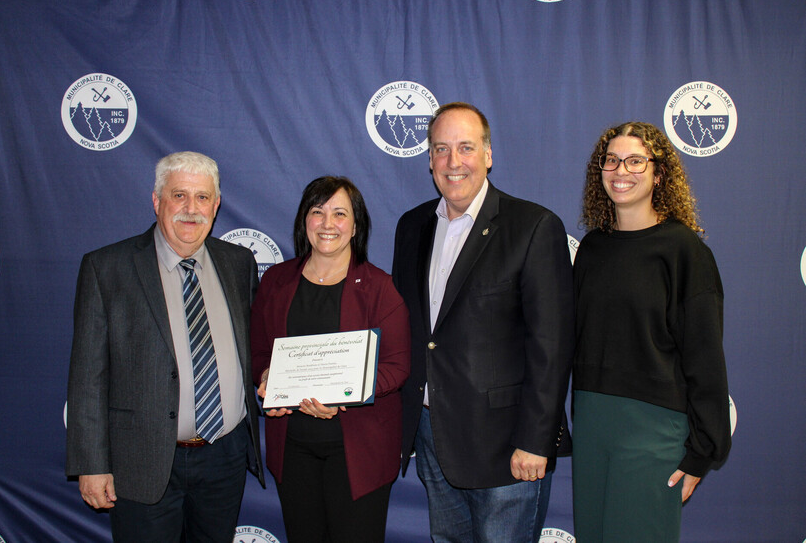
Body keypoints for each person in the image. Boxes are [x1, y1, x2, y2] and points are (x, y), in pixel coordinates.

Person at [391, 102, 574, 542]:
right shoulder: (411, 226)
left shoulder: (533, 226)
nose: (453, 162)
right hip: (433, 432)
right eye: (440, 149)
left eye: (466, 148)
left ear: (488, 155)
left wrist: (536, 438)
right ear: (429, 159)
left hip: (507, 443)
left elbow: (552, 345)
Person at [66, 151, 264, 542]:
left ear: (217, 204)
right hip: (143, 458)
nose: (191, 209)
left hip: (224, 455)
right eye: (179, 196)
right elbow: (87, 375)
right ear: (156, 201)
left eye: (203, 197)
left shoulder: (239, 263)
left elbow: (251, 347)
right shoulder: (107, 268)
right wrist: (91, 463)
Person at [571, 122, 731, 542]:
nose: (620, 170)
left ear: (658, 174)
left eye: (635, 160)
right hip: (590, 421)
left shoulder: (684, 252)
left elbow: (705, 359)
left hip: (653, 429)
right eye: (611, 160)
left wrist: (700, 452)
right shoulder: (591, 249)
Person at [251, 176, 410, 542]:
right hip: (293, 452)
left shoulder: (379, 288)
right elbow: (259, 352)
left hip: (359, 453)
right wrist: (267, 380)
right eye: (317, 212)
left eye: (340, 214)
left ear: (355, 226)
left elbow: (397, 367)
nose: (327, 224)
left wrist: (344, 393)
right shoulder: (276, 281)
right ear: (304, 220)